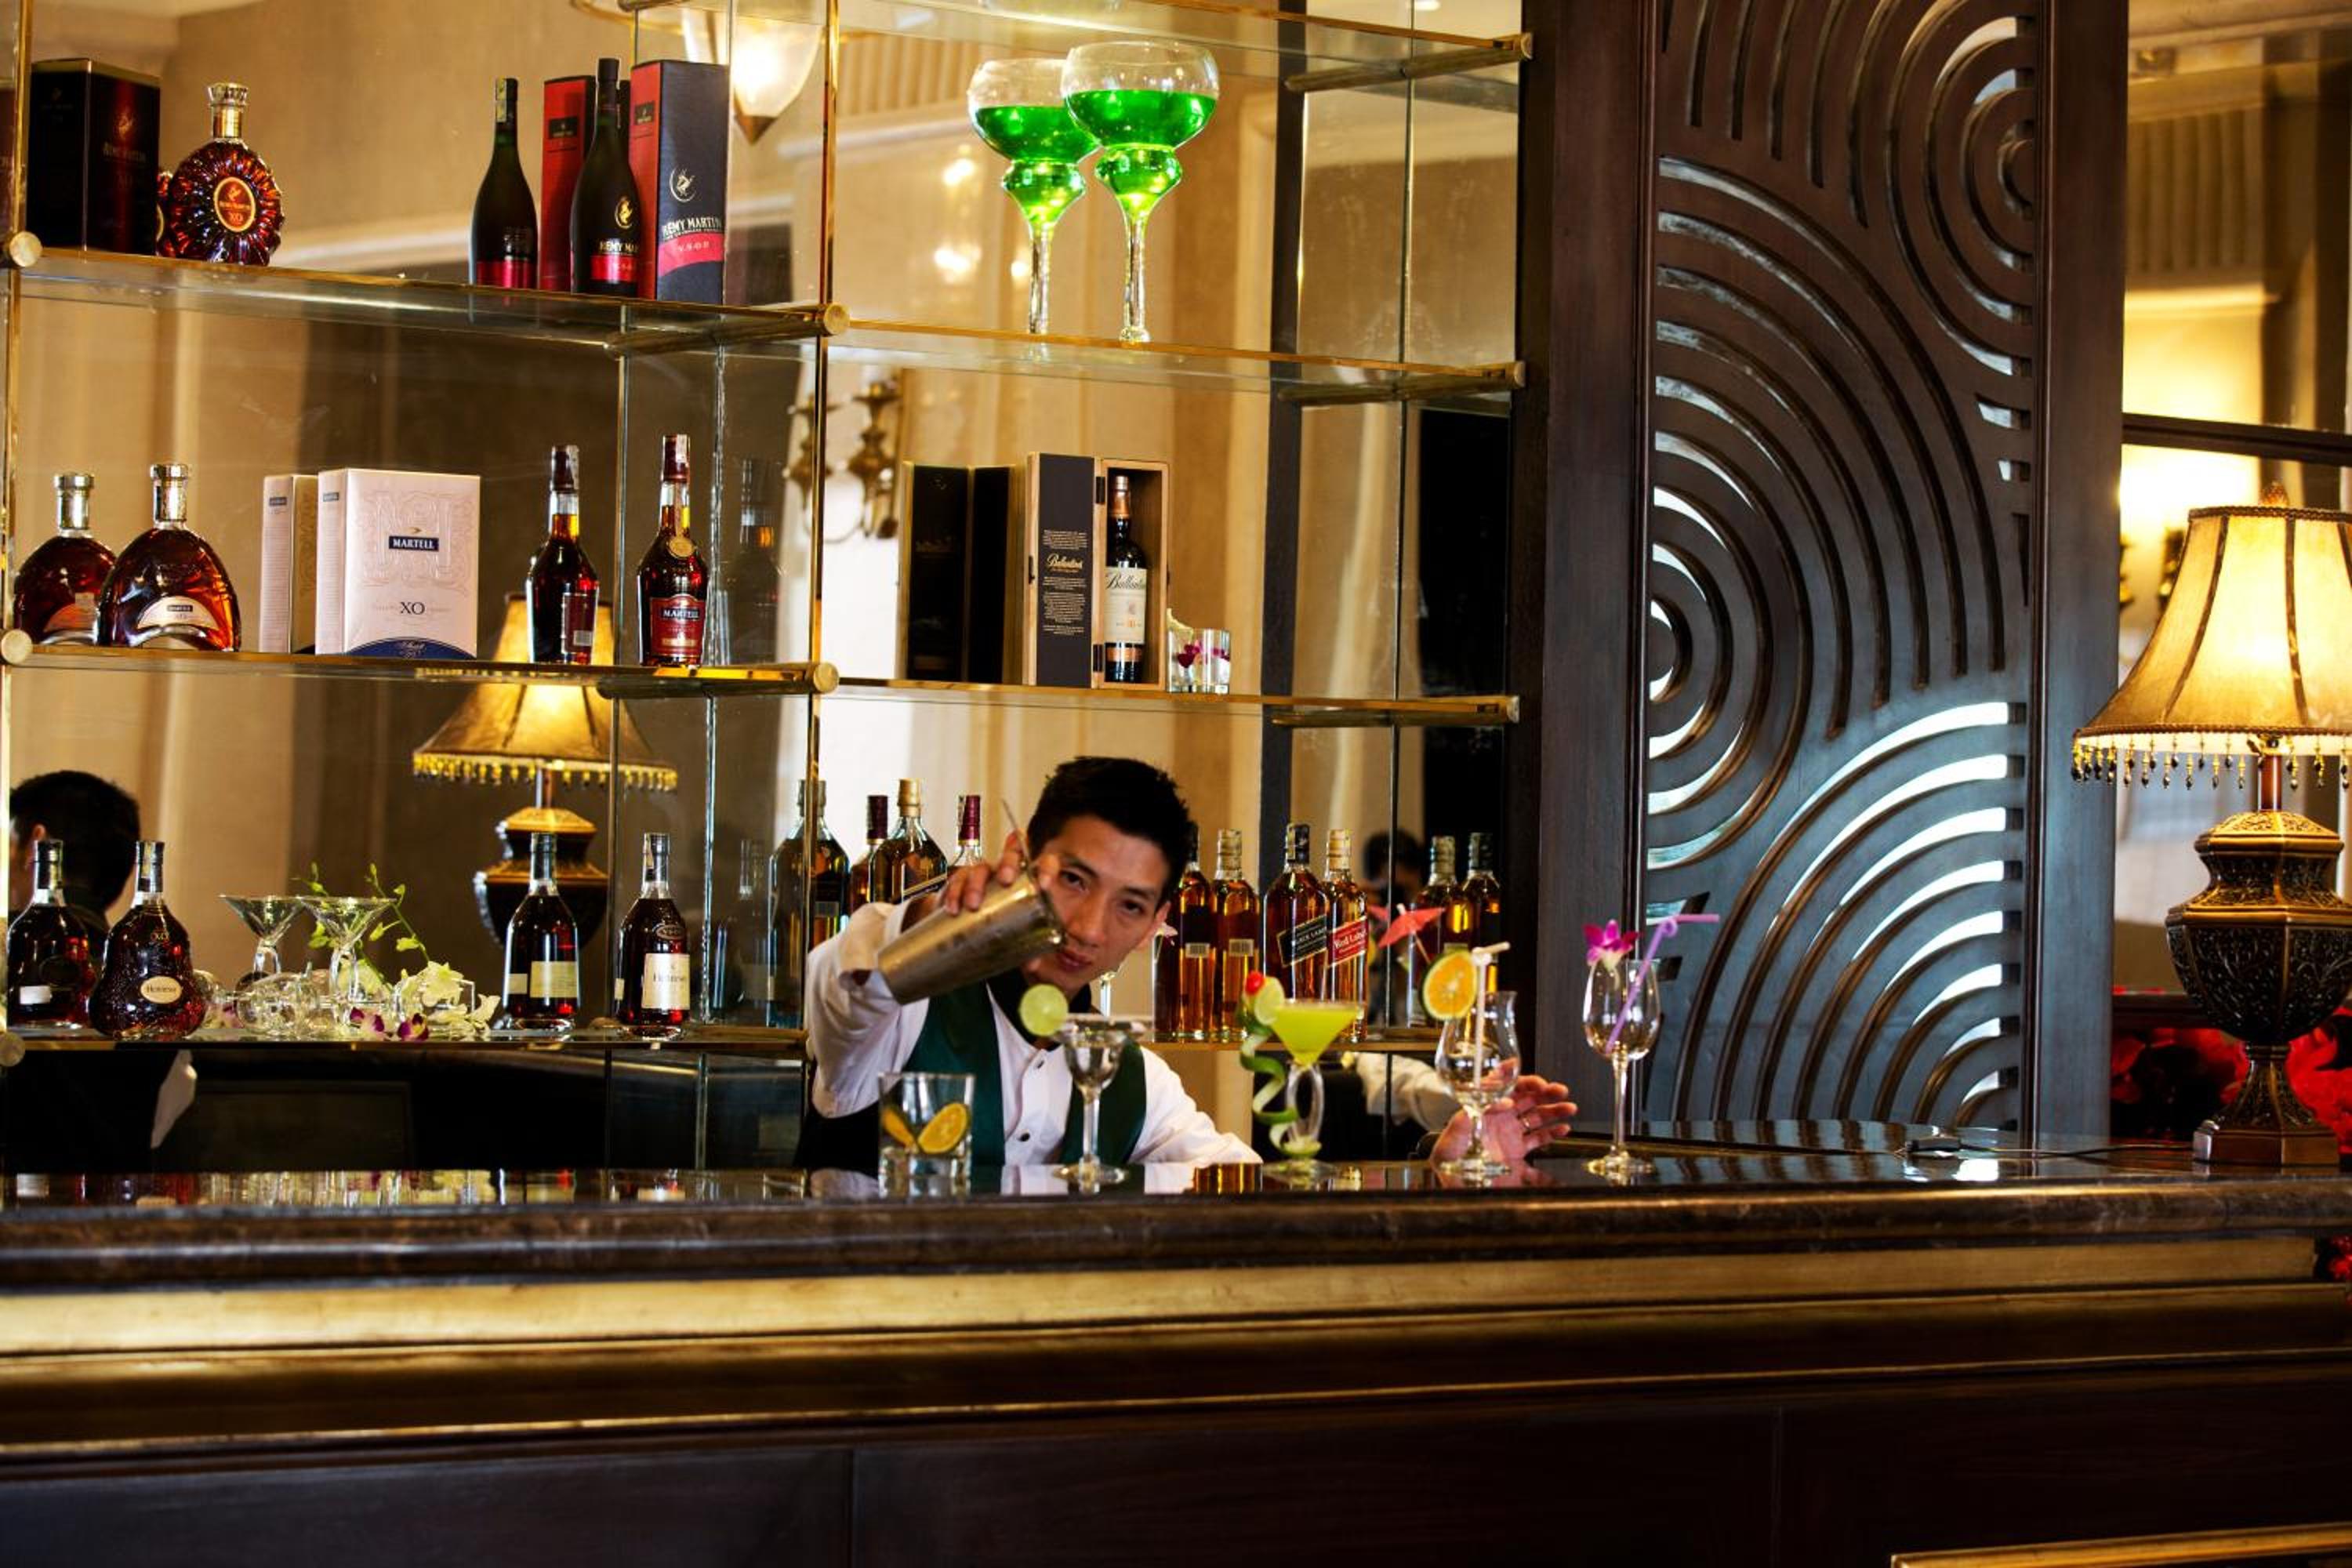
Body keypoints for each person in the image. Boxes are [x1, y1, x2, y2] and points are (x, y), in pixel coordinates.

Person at [800, 757, 1573, 1171]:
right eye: (1074, 879)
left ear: (1157, 925)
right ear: (1021, 857)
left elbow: (1245, 1192)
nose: (1088, 927)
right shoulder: (899, 1019)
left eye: (1129, 905)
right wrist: (938, 920)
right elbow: (842, 984)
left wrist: (1440, 1169)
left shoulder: (1136, 1080)